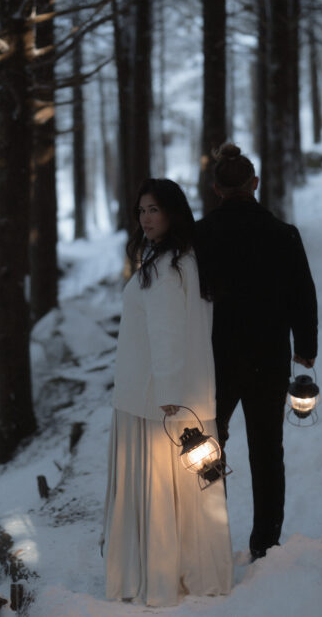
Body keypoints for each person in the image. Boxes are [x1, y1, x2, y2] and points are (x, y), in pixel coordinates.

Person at [102, 178, 233, 607]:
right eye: (141, 211)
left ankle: (159, 577)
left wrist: (169, 393)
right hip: (169, 394)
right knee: (187, 491)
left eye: (154, 210)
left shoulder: (170, 267)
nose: (145, 218)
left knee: (163, 488)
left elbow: (167, 333)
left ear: (173, 212)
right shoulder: (179, 260)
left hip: (158, 400)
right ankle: (190, 571)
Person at [194, 143, 318, 562]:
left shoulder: (200, 236)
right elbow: (303, 295)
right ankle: (265, 544)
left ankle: (211, 537)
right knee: (268, 450)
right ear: (256, 184)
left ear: (215, 189)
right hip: (268, 356)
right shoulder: (283, 234)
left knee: (209, 447)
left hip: (215, 358)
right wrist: (306, 349)